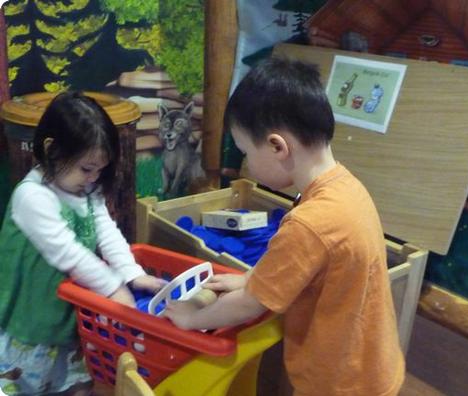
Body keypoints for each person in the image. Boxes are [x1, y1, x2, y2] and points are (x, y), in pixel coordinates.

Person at [164, 58, 405, 395]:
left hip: (339, 383)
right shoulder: (345, 188)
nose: (246, 163)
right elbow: (307, 268)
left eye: (246, 152)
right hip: (371, 367)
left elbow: (251, 304)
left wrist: (191, 319)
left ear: (278, 146)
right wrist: (251, 278)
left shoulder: (309, 224)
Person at [0, 91, 165, 396]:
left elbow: (107, 231)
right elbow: (70, 254)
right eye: (86, 169)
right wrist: (115, 289)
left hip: (66, 313)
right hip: (31, 316)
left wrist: (131, 272)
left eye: (100, 170)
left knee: (70, 379)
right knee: (25, 384)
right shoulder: (32, 197)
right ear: (51, 150)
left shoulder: (86, 191)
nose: (92, 178)